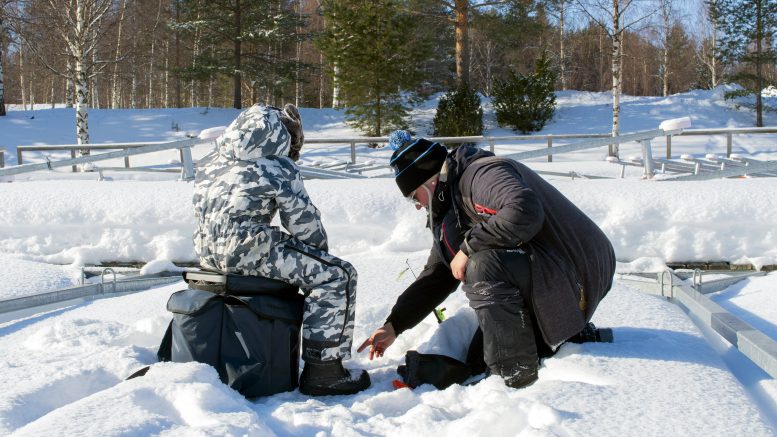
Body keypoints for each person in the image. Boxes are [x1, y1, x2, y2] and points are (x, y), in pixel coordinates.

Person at [359, 130, 616, 389]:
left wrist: (468, 248)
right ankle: (539, 345)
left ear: (430, 180)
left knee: (481, 265)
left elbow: (524, 209)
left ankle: (512, 375)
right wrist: (394, 325)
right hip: (554, 270)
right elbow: (438, 274)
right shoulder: (451, 205)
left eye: (414, 196)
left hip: (581, 271)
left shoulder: (479, 174)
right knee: (478, 357)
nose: (416, 205)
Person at [193, 104, 370, 396]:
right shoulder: (277, 165)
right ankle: (324, 371)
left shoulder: (213, 159)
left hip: (206, 253)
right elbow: (304, 225)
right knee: (337, 275)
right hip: (247, 249)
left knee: (313, 265)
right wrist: (320, 257)